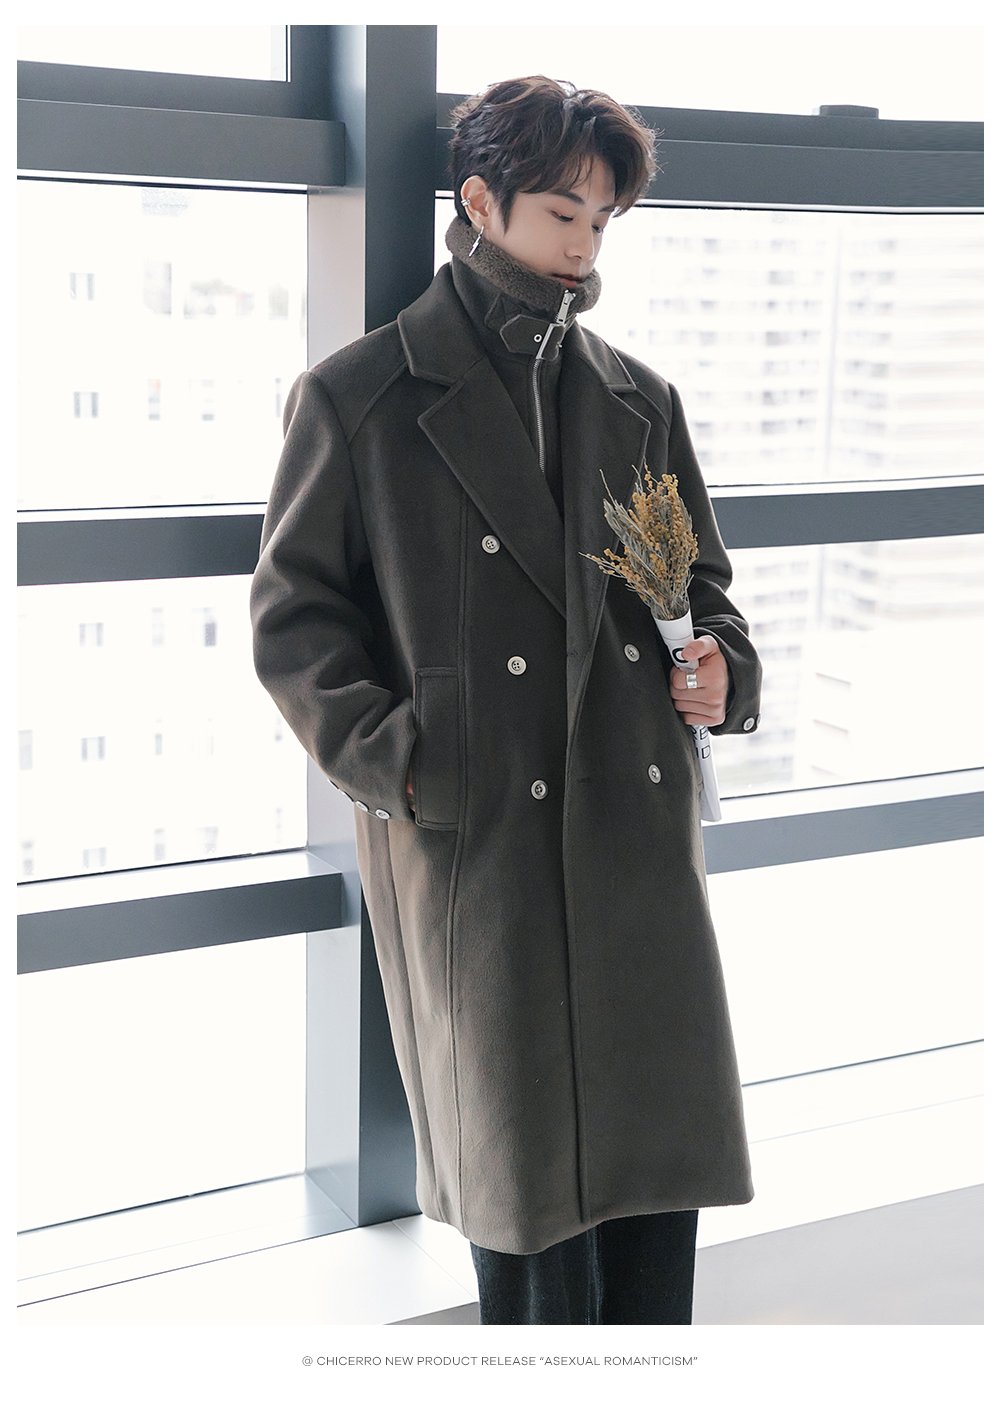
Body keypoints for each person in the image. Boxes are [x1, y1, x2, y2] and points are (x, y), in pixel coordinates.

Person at [250, 75, 762, 1326]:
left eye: (602, 221)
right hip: (482, 842)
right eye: (561, 214)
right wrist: (406, 761)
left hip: (632, 839)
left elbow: (703, 587)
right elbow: (295, 621)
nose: (585, 247)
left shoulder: (638, 398)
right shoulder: (362, 396)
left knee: (653, 1194)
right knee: (526, 1199)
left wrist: (721, 669)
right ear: (479, 202)